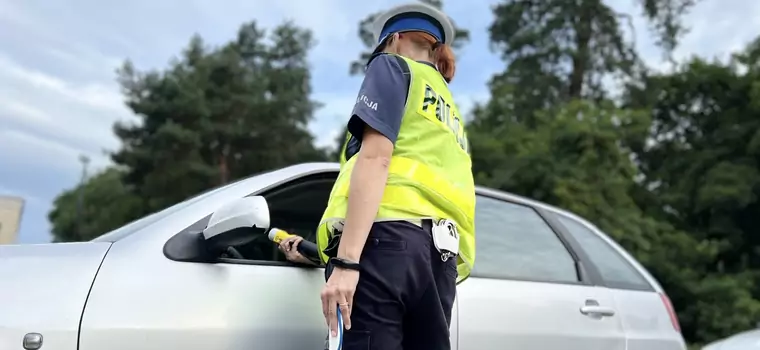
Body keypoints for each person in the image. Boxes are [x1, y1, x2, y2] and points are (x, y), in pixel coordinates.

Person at [286, 3, 476, 350]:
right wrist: (316, 253)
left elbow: (375, 160)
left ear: (394, 39)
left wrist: (345, 262)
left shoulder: (392, 67)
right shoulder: (449, 110)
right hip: (440, 261)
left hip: (384, 244)